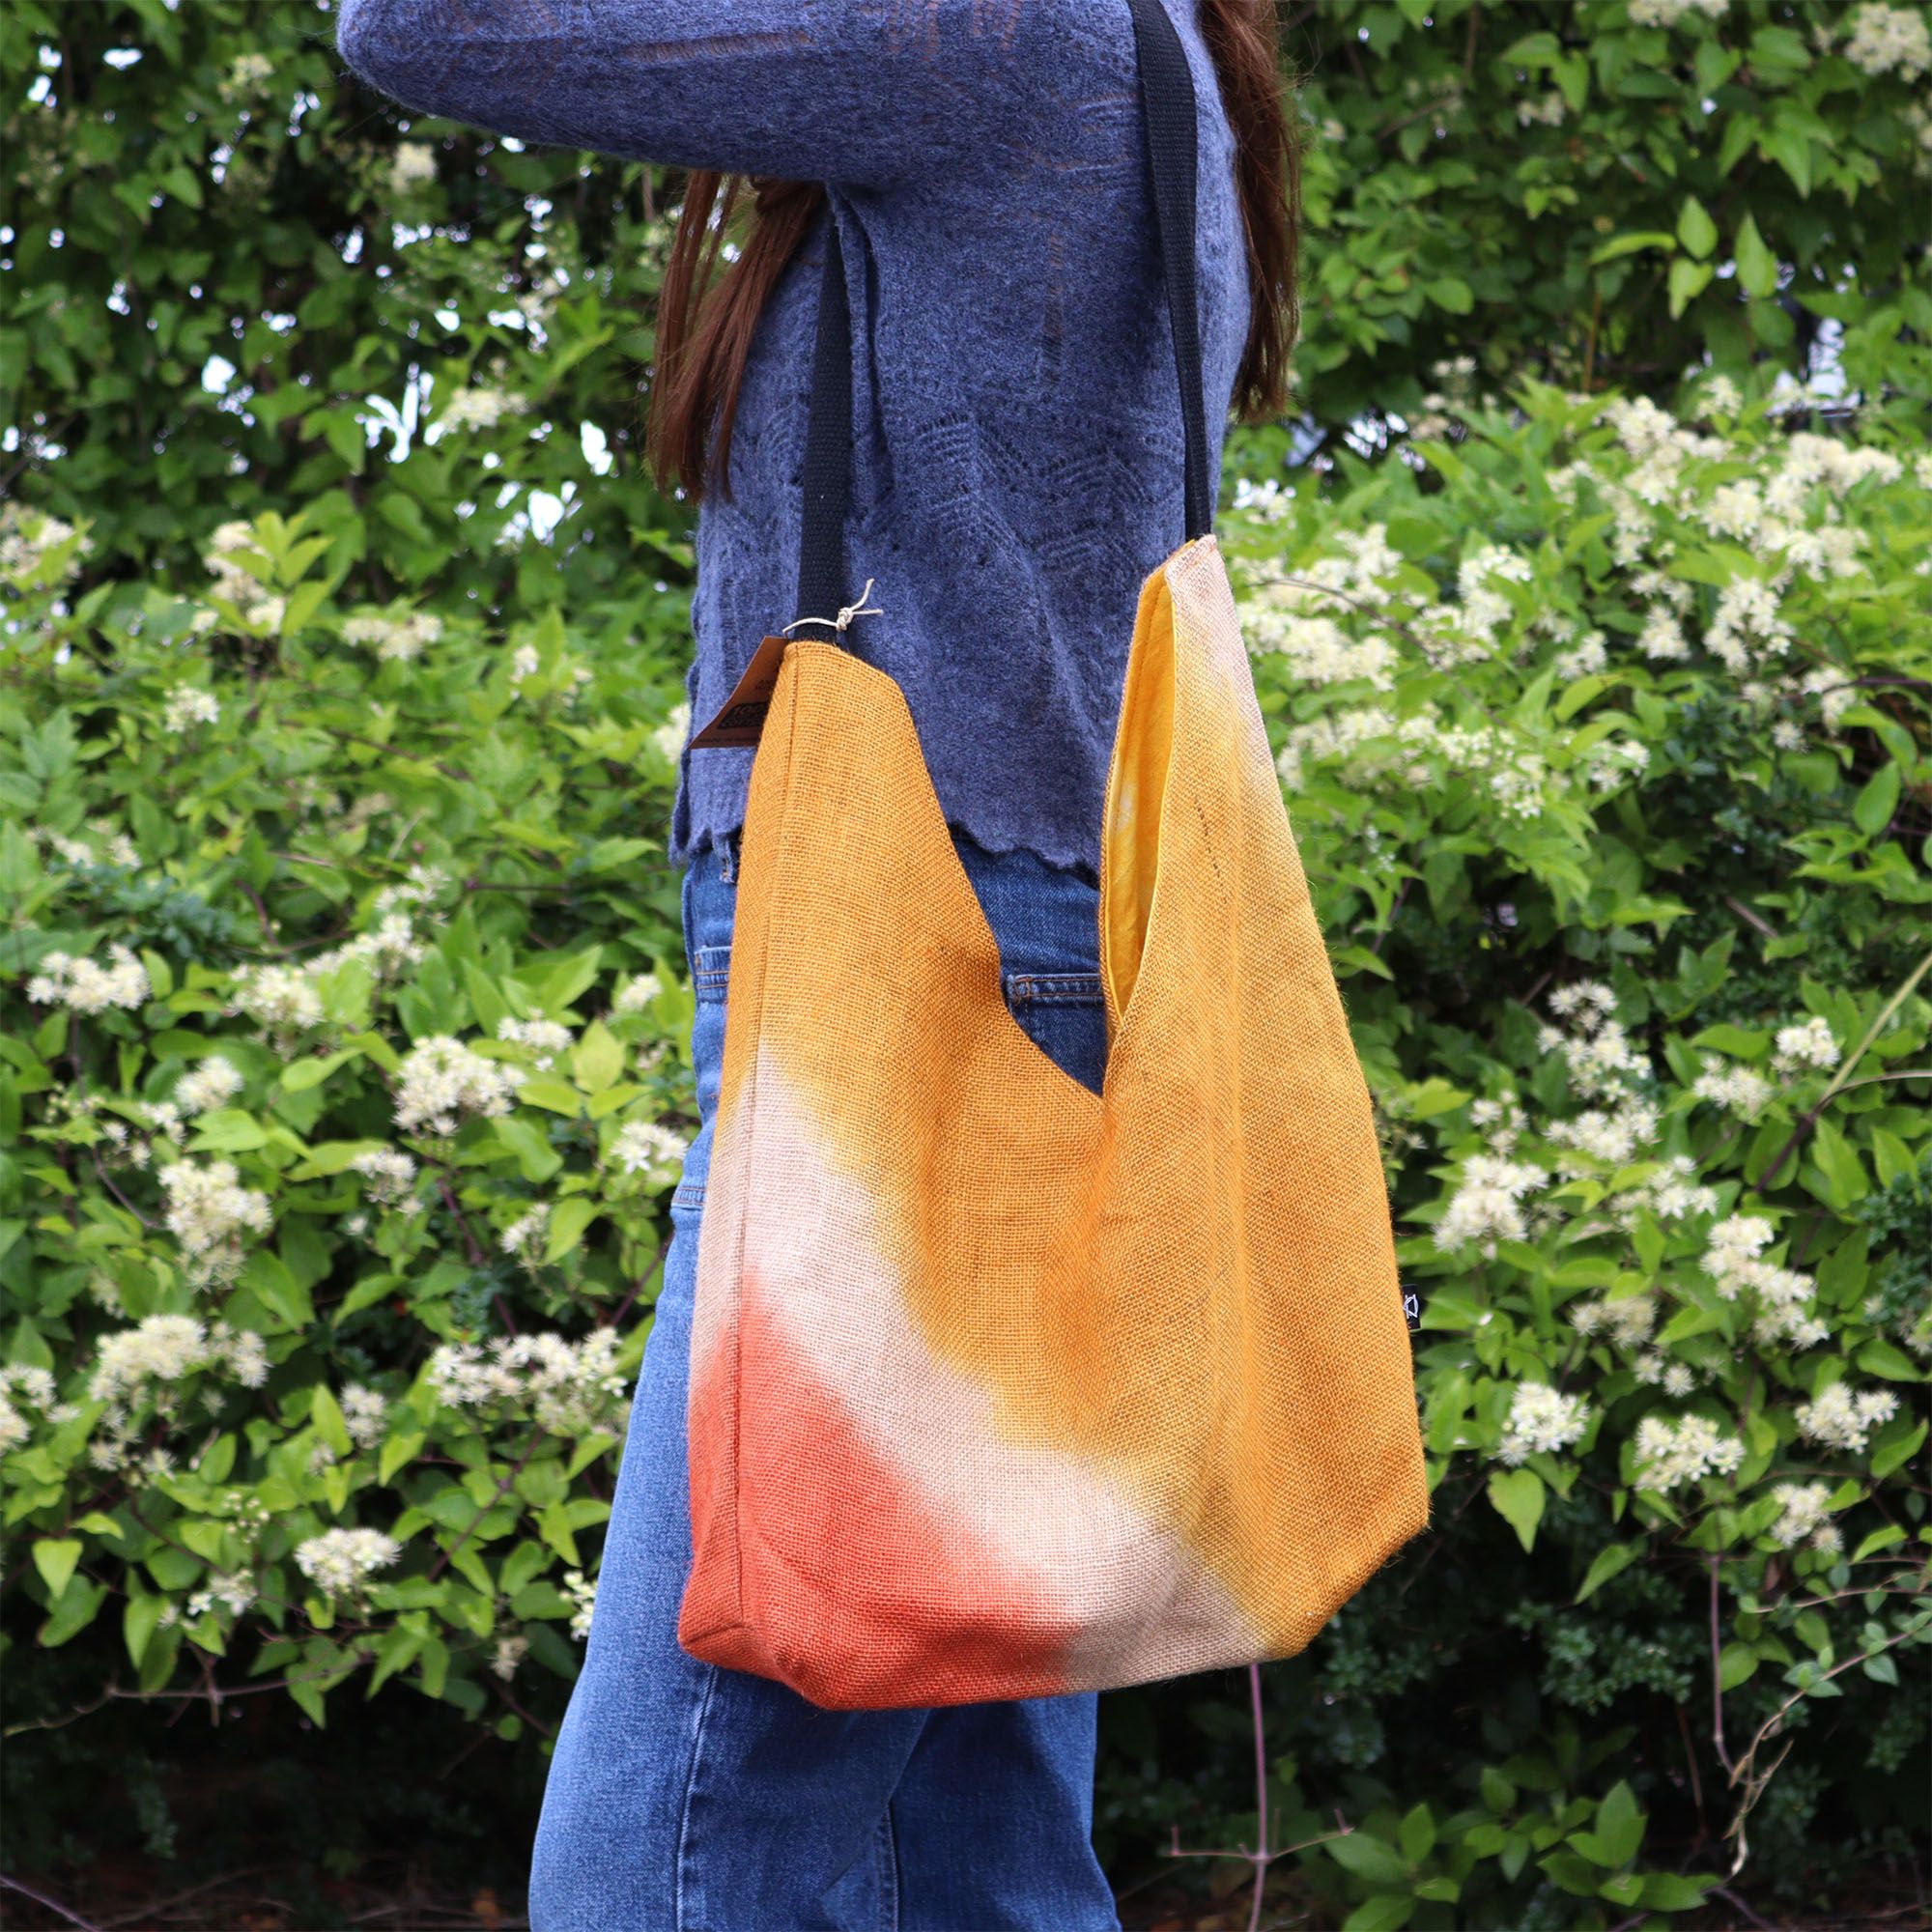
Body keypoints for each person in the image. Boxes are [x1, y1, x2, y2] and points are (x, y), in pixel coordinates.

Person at [334, 3, 1298, 1923]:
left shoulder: (999, 29)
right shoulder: (1137, 45)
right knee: (973, 1844)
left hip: (911, 965)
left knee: (678, 1823)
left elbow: (416, 24)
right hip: (1004, 943)